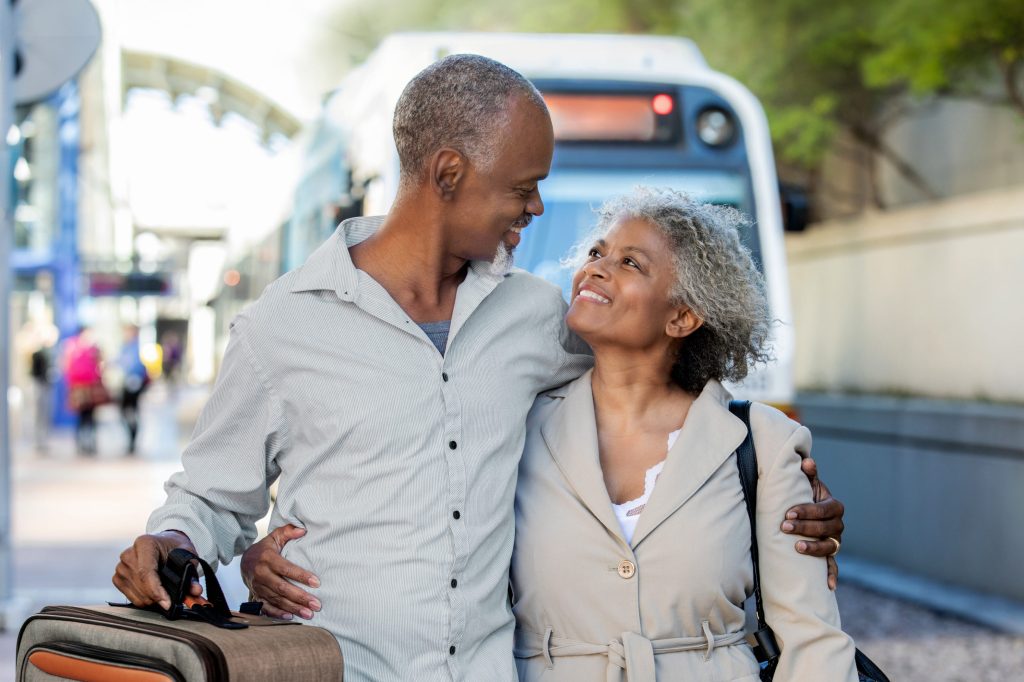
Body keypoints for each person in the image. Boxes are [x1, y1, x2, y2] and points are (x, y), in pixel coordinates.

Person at [113, 56, 845, 681]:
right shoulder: (281, 326)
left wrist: (771, 479)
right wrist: (178, 545)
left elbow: (654, 386)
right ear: (449, 173)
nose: (536, 206)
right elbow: (210, 499)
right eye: (522, 185)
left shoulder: (534, 318)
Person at [505, 188, 857, 680]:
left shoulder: (763, 442)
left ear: (682, 317)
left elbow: (812, 640)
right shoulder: (517, 426)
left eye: (631, 262)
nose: (596, 268)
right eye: (596, 252)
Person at [64, 327, 106, 455]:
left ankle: (91, 442)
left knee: (91, 416)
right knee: (81, 416)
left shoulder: (94, 348)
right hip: (78, 386)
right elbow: (67, 365)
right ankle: (81, 442)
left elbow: (101, 364)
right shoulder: (72, 347)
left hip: (91, 385)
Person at [118, 325, 149, 455]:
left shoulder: (136, 348)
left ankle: (133, 438)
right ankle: (131, 437)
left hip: (134, 383)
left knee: (130, 411)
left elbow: (136, 367)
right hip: (127, 383)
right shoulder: (126, 347)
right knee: (125, 412)